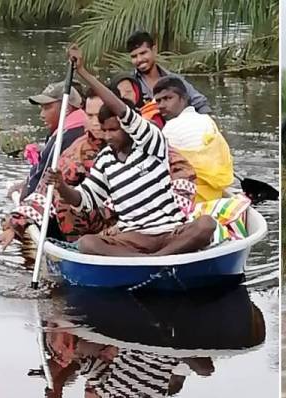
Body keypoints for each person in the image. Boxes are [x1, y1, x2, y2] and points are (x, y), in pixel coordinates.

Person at [45, 44, 216, 257]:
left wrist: (83, 72)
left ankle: (156, 259)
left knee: (206, 224)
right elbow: (86, 199)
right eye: (104, 130)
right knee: (87, 244)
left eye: (113, 130)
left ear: (128, 127)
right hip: (134, 238)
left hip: (169, 231)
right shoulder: (105, 159)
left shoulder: (151, 142)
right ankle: (149, 260)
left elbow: (122, 110)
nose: (107, 136)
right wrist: (61, 186)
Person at [0, 91, 115, 251]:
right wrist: (14, 225)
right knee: (63, 195)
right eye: (90, 116)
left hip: (132, 221)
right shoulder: (78, 151)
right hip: (93, 223)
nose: (96, 122)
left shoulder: (135, 144)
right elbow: (48, 192)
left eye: (100, 115)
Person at [155, 75, 234, 202]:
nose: (161, 105)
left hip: (190, 198)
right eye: (158, 101)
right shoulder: (207, 120)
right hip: (215, 193)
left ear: (184, 98)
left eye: (167, 98)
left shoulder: (170, 128)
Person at [10, 82, 86, 199]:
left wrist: (22, 200)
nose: (42, 115)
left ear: (66, 108)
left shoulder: (62, 137)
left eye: (47, 108)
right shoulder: (83, 128)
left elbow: (39, 180)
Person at [126, 30, 210, 113]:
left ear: (154, 50)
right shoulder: (128, 84)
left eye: (143, 53)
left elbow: (201, 103)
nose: (139, 59)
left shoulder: (174, 80)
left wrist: (208, 121)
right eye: (134, 56)